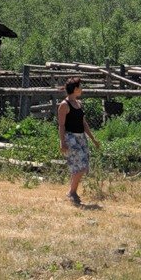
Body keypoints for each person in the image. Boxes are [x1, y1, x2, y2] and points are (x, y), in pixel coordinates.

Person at [58, 77, 100, 205]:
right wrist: (62, 142)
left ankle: (72, 192)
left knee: (82, 165)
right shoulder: (64, 105)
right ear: (75, 89)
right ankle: (72, 192)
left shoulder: (79, 104)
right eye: (80, 87)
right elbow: (61, 125)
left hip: (81, 137)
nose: (81, 89)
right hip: (70, 138)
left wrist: (93, 139)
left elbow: (83, 123)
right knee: (80, 166)